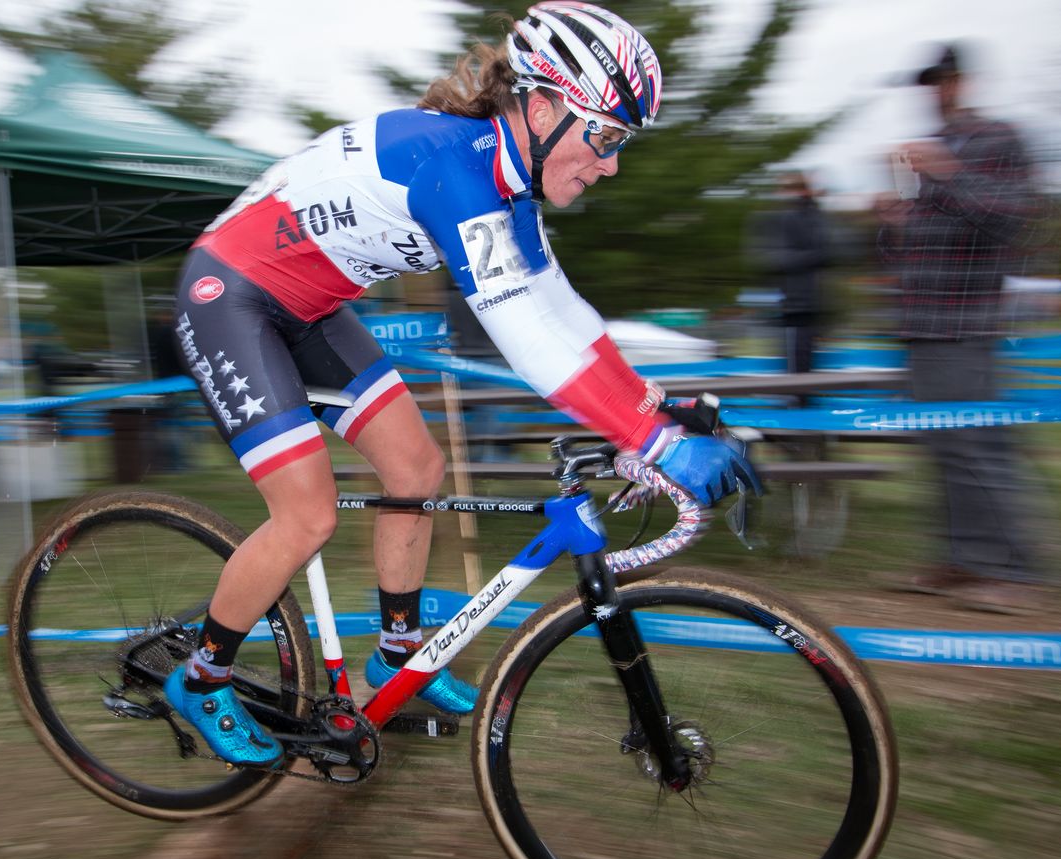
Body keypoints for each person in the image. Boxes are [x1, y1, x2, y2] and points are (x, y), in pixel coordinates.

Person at [167, 1, 757, 766]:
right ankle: (202, 677)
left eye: (621, 143)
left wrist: (652, 410)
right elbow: (527, 340)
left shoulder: (507, 187)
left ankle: (396, 656)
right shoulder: (458, 166)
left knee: (417, 469)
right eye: (605, 136)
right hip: (230, 298)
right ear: (542, 108)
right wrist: (653, 442)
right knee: (306, 514)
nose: (610, 163)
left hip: (308, 310)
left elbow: (564, 316)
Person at [875, 43, 1048, 612]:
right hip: (922, 321)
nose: (936, 91)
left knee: (979, 445)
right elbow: (914, 245)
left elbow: (1010, 216)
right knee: (946, 446)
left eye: (944, 81)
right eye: (928, 83)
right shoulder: (939, 151)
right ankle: (966, 560)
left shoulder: (997, 138)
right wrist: (891, 223)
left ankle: (1014, 572)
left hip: (965, 319)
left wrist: (944, 172)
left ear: (963, 83)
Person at [747, 171, 832, 373]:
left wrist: (777, 259)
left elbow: (822, 253)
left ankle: (797, 398)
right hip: (794, 300)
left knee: (798, 360)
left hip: (799, 301)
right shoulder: (801, 216)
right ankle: (797, 395)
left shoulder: (803, 217)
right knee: (796, 358)